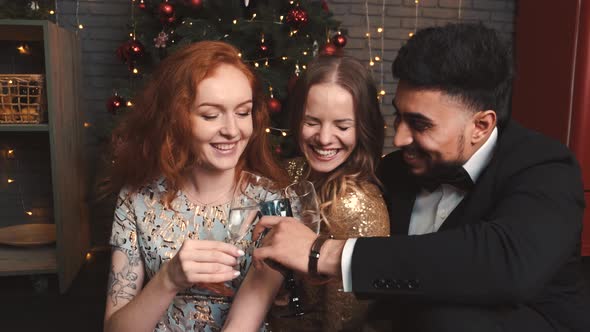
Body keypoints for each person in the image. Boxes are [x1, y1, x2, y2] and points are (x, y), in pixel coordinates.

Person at [254, 23, 590, 332]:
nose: (399, 139)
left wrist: (324, 253)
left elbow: (506, 263)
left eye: (420, 124)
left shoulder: (547, 169)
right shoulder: (394, 172)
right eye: (399, 117)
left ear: (481, 126)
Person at [103, 41, 287, 332]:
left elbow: (242, 325)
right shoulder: (136, 198)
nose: (232, 130)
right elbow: (115, 329)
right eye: (210, 115)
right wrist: (169, 279)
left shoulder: (272, 203)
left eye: (242, 112)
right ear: (176, 119)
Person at [274, 55, 390, 331]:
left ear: (363, 129)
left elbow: (344, 322)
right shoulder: (288, 171)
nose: (324, 138)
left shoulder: (356, 204)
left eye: (342, 126)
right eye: (312, 122)